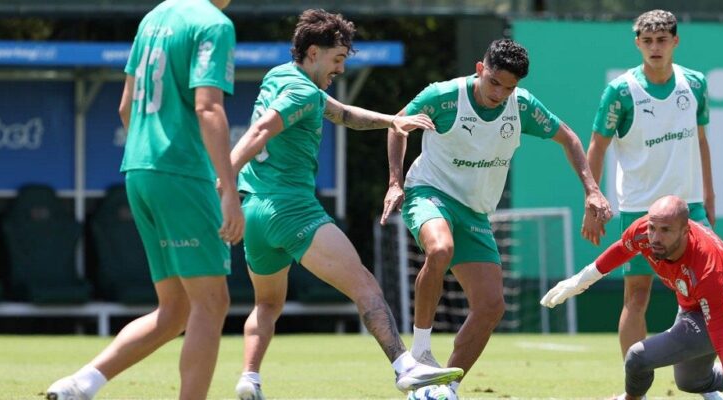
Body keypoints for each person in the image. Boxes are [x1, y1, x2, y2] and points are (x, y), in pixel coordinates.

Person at [228, 9, 463, 400]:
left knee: (267, 302)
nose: (340, 68)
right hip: (291, 209)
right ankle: (405, 367)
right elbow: (262, 129)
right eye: (337, 59)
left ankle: (248, 379)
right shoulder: (302, 91)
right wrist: (224, 176)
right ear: (314, 52)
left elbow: (343, 114)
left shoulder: (280, 77)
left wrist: (393, 121)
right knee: (365, 286)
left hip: (254, 212)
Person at [381, 39, 611, 395]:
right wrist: (395, 182)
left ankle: (446, 387)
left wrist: (592, 190)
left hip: (475, 210)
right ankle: (420, 354)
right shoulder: (442, 97)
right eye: (494, 82)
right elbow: (398, 126)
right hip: (429, 191)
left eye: (510, 87)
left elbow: (569, 138)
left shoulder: (521, 107)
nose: (500, 93)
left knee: (491, 307)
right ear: (479, 69)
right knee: (439, 250)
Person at [46, 0, 244, 399]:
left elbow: (125, 107)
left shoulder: (155, 16)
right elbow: (208, 108)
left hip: (139, 168)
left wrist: (151, 152)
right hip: (182, 172)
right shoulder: (213, 23)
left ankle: (78, 386)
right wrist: (228, 187)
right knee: (211, 302)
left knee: (175, 311)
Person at [541, 195, 723, 400]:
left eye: (665, 230)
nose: (654, 237)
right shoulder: (645, 232)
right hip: (692, 304)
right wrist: (579, 281)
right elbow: (620, 250)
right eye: (652, 228)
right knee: (693, 381)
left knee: (637, 357)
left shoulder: (707, 267)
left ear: (686, 231)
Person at [581, 11, 718, 398]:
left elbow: (702, 141)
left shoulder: (695, 83)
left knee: (704, 296)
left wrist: (709, 198)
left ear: (676, 42)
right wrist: (593, 200)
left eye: (662, 40)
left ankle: (704, 381)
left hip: (689, 206)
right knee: (636, 296)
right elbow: (598, 145)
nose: (655, 47)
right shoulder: (620, 91)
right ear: (637, 43)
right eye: (647, 40)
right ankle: (634, 390)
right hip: (640, 208)